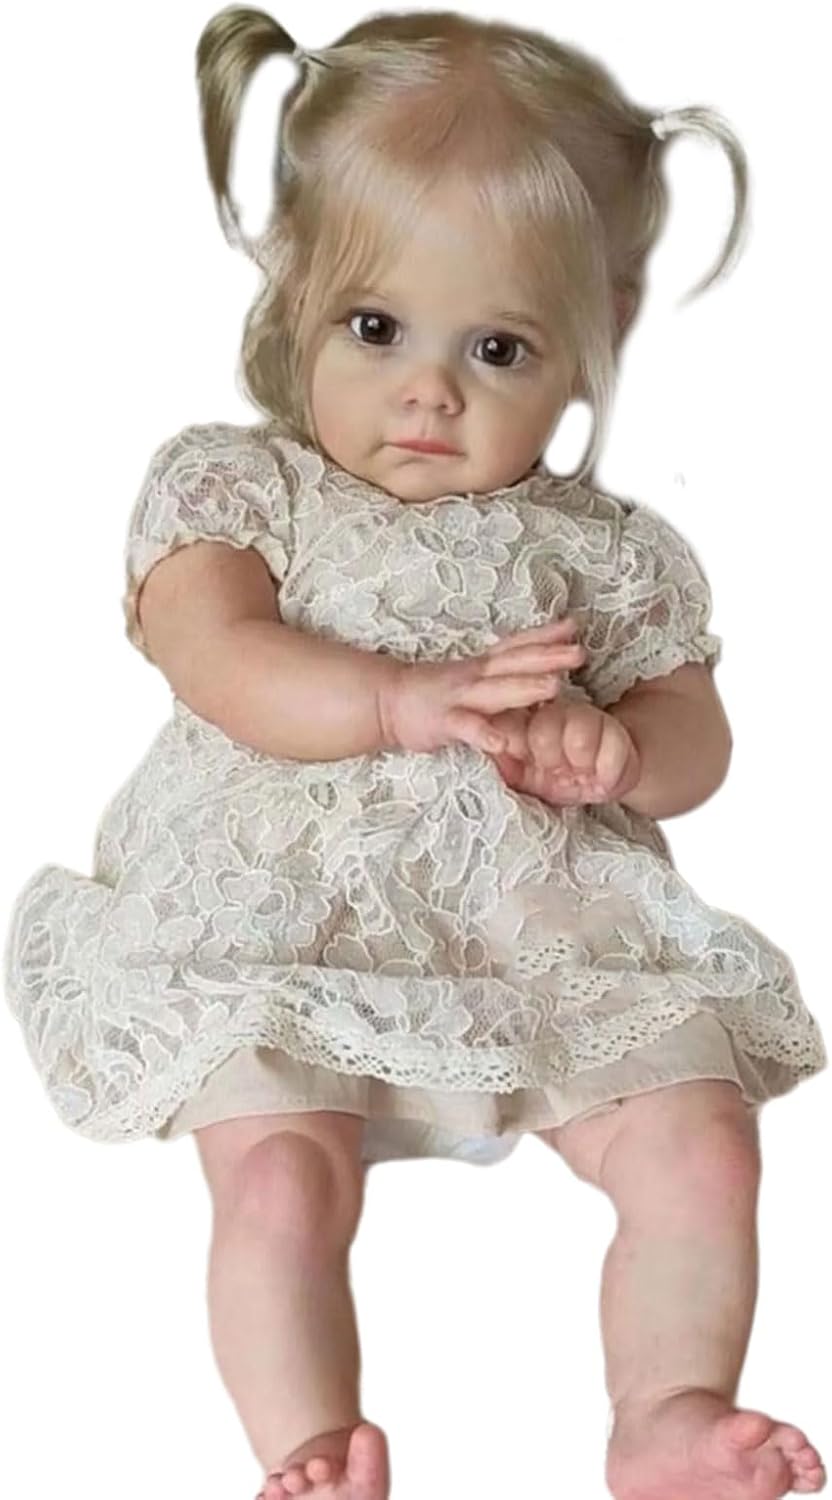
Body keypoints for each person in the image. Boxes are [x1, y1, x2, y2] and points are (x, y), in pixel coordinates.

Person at [3, 6, 828, 1499]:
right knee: (278, 1172)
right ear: (296, 293)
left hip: (537, 925)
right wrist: (392, 701)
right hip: (279, 919)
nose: (429, 391)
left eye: (497, 347)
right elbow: (214, 654)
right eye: (375, 328)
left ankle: (668, 1410)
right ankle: (310, 1445)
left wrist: (619, 749)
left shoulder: (605, 551)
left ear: (594, 341)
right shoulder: (241, 489)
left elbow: (698, 733)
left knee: (701, 1139)